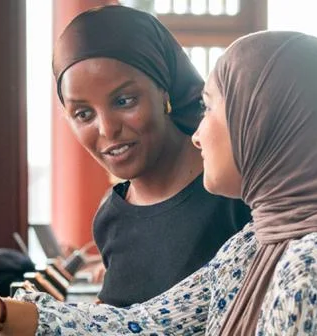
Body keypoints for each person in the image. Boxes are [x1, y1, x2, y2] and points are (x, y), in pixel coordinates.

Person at [0, 30, 317, 335]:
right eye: (82, 112)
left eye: (213, 109)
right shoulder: (262, 242)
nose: (198, 133)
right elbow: (146, 325)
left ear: (263, 124)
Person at [52, 5, 250, 307]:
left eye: (124, 100)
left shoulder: (234, 193)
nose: (107, 129)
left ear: (164, 91)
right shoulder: (110, 219)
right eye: (83, 114)